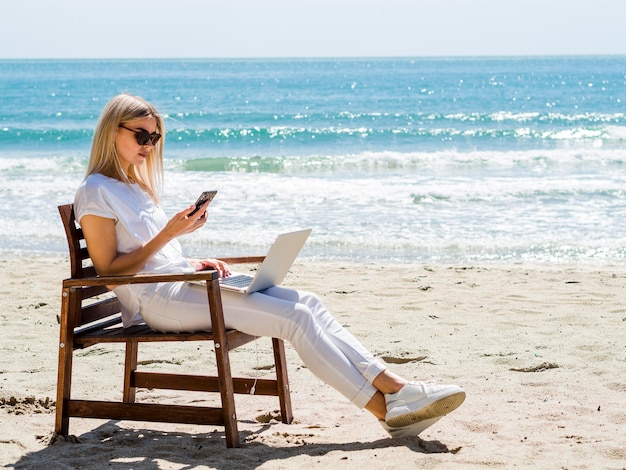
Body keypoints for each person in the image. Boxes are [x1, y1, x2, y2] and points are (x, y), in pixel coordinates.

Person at [74, 93, 465, 439]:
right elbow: (109, 272)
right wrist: (168, 235)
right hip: (159, 301)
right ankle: (386, 409)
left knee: (307, 303)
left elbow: (150, 256)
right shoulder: (96, 189)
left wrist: (190, 258)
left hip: (183, 283)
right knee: (292, 320)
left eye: (154, 137)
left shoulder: (135, 186)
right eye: (141, 136)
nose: (149, 144)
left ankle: (397, 388)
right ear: (113, 132)